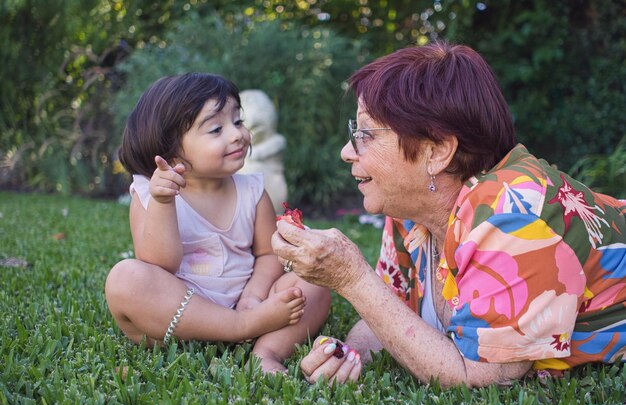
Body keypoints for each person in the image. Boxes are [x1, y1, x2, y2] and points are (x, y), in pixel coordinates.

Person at [271, 41, 626, 387]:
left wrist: (352, 278)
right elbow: (391, 309)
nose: (347, 151)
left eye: (367, 134)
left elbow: (480, 375)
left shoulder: (513, 215)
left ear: (437, 152)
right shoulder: (409, 211)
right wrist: (350, 354)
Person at [105, 73, 330, 374]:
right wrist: (163, 204)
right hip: (184, 311)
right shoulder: (150, 194)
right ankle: (241, 328)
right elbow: (160, 264)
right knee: (126, 278)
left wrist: (252, 296)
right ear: (171, 149)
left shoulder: (252, 191)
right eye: (215, 128)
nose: (237, 134)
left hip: (248, 300)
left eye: (237, 121)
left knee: (314, 278)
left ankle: (265, 353)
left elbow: (268, 254)